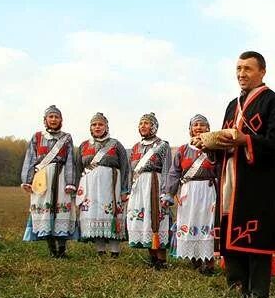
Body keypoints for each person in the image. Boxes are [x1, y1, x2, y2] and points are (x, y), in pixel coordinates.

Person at [195, 51, 275, 298]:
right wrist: (210, 145)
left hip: (257, 181)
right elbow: (227, 141)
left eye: (247, 69)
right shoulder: (231, 105)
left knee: (254, 234)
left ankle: (257, 293)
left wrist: (246, 139)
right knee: (229, 229)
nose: (241, 74)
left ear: (262, 71)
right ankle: (236, 287)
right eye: (238, 68)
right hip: (230, 178)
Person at [163, 114, 218, 274]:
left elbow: (220, 171)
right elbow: (174, 173)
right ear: (190, 129)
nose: (199, 128)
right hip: (188, 192)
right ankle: (194, 259)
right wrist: (169, 193)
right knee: (190, 221)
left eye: (202, 125)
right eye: (195, 125)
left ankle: (209, 263)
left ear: (208, 128)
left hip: (207, 191)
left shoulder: (214, 149)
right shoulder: (182, 150)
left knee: (208, 223)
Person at [20, 105, 77, 257]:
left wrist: (70, 182)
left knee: (62, 212)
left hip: (61, 176)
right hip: (41, 179)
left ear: (61, 120)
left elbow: (70, 160)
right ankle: (52, 249)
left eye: (56, 117)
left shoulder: (67, 137)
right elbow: (30, 159)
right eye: (50, 117)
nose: (53, 120)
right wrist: (27, 179)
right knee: (45, 212)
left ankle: (62, 249)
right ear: (45, 120)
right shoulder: (37, 137)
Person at [75, 112, 130, 257]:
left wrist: (125, 189)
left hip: (111, 186)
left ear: (106, 126)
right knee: (94, 214)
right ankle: (100, 250)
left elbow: (125, 168)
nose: (97, 127)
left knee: (111, 214)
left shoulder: (116, 145)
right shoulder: (84, 145)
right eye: (94, 125)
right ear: (90, 128)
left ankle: (115, 251)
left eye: (100, 124)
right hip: (89, 188)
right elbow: (77, 169)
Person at [126, 113, 172, 269]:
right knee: (143, 219)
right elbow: (131, 170)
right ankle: (152, 257)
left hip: (155, 183)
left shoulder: (163, 145)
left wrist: (166, 191)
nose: (143, 126)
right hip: (139, 186)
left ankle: (161, 259)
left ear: (154, 126)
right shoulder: (135, 147)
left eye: (147, 123)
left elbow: (167, 170)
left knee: (157, 218)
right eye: (141, 123)